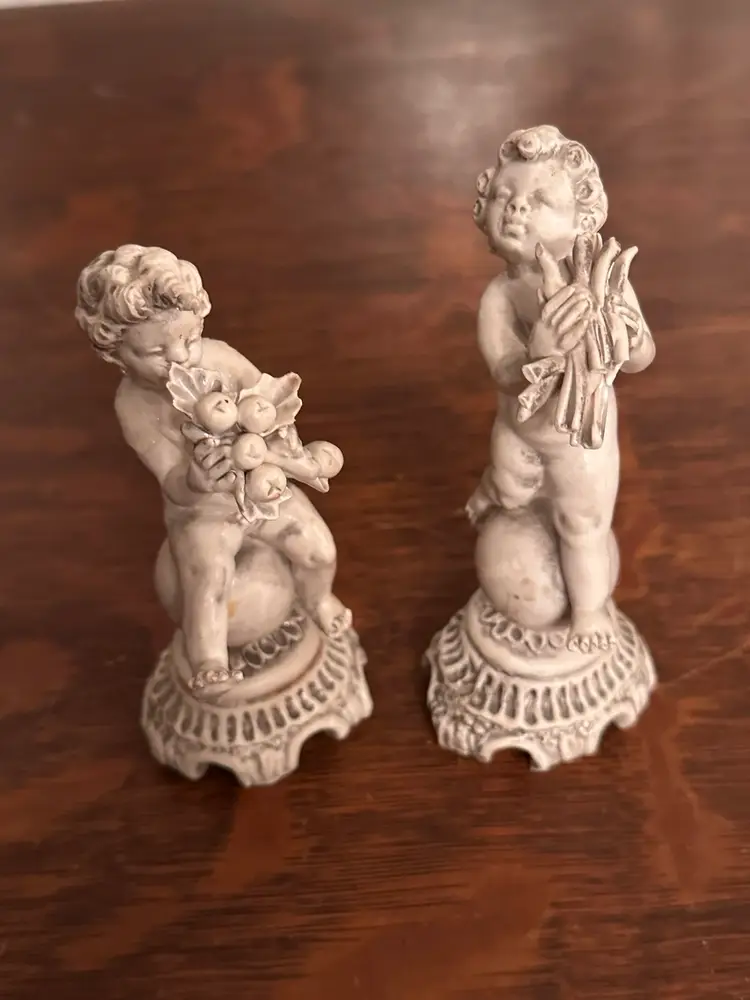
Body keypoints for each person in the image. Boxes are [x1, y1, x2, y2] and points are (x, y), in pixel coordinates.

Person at [76, 245, 350, 690]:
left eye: (188, 339)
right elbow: (171, 480)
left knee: (320, 551)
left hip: (262, 490)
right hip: (202, 513)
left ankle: (318, 599)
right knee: (208, 579)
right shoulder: (134, 406)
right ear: (116, 355)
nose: (180, 358)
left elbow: (270, 402)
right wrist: (196, 480)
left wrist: (279, 447)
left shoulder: (220, 358)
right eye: (156, 351)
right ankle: (209, 661)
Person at [466, 126, 655, 652]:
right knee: (510, 488)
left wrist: (621, 332)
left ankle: (589, 613)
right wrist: (540, 352)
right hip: (519, 431)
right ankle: (492, 491)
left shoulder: (604, 284)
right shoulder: (501, 296)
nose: (514, 209)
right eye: (503, 196)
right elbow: (504, 372)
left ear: (582, 220)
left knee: (582, 523)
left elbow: (642, 356)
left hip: (580, 442)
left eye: (539, 200)